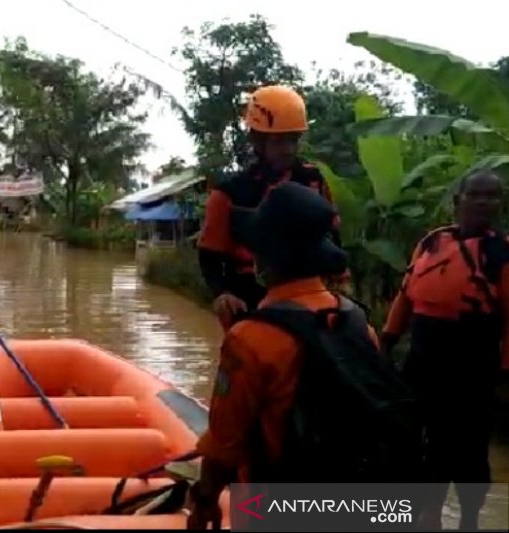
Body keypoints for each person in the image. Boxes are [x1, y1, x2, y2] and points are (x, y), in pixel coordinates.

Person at [186, 181, 422, 530]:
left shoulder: (250, 338)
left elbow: (225, 445)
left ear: (265, 257)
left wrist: (205, 500)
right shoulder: (357, 322)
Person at [381, 169, 509, 531]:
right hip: (423, 355)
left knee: (468, 448)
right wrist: (388, 339)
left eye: (493, 196)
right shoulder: (431, 243)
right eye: (476, 194)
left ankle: (468, 520)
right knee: (417, 438)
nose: (484, 202)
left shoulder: (501, 253)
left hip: (473, 360)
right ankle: (427, 513)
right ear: (458, 201)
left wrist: (503, 372)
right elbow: (405, 296)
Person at [197, 84, 343, 331]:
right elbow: (209, 255)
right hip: (248, 296)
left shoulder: (314, 181)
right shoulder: (230, 192)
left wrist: (340, 286)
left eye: (293, 140)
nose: (288, 149)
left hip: (306, 291)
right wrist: (221, 293)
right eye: (278, 141)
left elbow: (332, 235)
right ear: (258, 141)